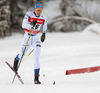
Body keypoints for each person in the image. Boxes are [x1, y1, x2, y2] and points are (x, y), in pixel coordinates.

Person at [13, 2, 47, 84]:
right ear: (35, 9)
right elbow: (23, 25)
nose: (39, 11)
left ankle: (36, 79)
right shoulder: (29, 14)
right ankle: (16, 60)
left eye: (41, 10)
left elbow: (45, 26)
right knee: (22, 54)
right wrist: (30, 24)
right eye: (38, 10)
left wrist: (43, 34)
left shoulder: (43, 17)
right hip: (27, 36)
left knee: (37, 57)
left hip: (36, 38)